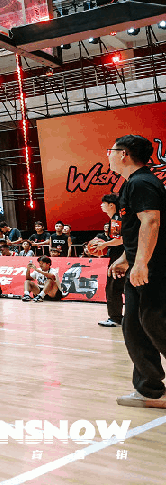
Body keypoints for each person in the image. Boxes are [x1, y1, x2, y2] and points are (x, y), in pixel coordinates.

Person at [106, 135, 166, 408]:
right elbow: (134, 230)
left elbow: (151, 222)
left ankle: (150, 388)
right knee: (134, 328)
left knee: (154, 324)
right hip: (139, 268)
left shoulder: (141, 182)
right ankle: (150, 390)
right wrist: (125, 258)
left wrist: (141, 263)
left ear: (124, 154)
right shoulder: (133, 183)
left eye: (110, 151)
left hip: (154, 269)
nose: (108, 155)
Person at [87, 192, 124, 327]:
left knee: (113, 288)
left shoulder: (116, 219)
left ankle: (115, 318)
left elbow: (120, 240)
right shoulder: (117, 217)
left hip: (119, 258)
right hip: (122, 256)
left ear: (111, 205)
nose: (101, 206)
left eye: (103, 203)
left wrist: (103, 245)